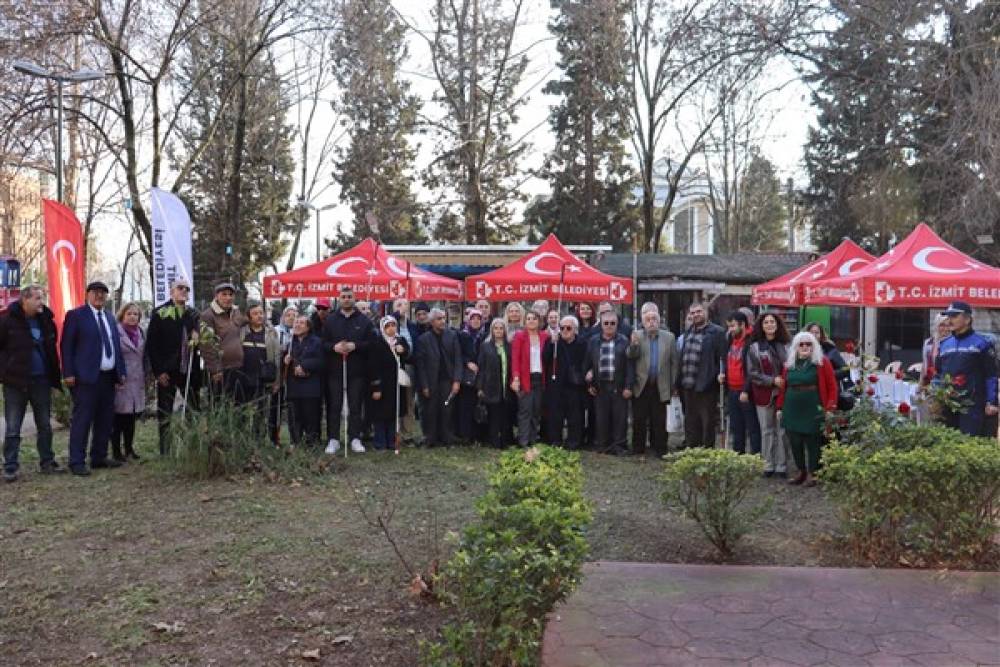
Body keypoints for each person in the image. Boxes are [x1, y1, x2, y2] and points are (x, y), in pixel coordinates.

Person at [61, 281, 127, 476]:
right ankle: (76, 461)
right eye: (96, 292)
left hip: (108, 377)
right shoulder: (76, 315)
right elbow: (67, 347)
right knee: (83, 420)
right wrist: (68, 373)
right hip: (85, 378)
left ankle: (99, 456)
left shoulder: (109, 317)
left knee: (105, 419)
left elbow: (115, 346)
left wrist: (120, 371)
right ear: (87, 294)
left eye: (103, 293)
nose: (99, 296)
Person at [0, 285, 64, 481]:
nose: (41, 302)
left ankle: (47, 461)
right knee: (13, 426)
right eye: (37, 298)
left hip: (41, 381)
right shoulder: (6, 321)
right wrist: (5, 372)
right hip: (16, 383)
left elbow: (52, 347)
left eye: (42, 297)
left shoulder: (46, 320)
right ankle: (10, 466)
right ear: (24, 300)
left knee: (44, 424)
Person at [146, 277, 201, 455]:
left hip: (189, 369)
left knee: (194, 408)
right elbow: (152, 345)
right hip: (167, 370)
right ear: (171, 291)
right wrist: (158, 371)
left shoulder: (193, 314)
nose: (184, 291)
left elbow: (201, 338)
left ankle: (193, 446)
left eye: (186, 289)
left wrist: (198, 337)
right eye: (180, 288)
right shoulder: (160, 312)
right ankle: (166, 449)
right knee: (165, 411)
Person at [776, 332, 838, 487]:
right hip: (791, 408)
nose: (804, 347)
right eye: (801, 344)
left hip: (813, 408)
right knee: (794, 441)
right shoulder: (789, 363)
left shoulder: (822, 362)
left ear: (814, 346)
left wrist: (830, 408)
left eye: (808, 344)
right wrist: (779, 407)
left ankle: (813, 472)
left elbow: (832, 387)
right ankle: (800, 471)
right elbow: (784, 387)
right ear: (795, 347)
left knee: (813, 442)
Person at [322, 287, 374, 454]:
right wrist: (334, 347)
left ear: (354, 298)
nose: (346, 299)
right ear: (339, 299)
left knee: (355, 405)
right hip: (335, 371)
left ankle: (355, 438)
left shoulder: (364, 321)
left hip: (357, 371)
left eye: (349, 296)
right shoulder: (330, 320)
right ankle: (334, 439)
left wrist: (355, 345)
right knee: (335, 405)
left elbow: (371, 343)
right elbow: (323, 343)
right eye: (343, 296)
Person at [934, 301, 998, 436]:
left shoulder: (982, 343)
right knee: (947, 442)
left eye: (954, 316)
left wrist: (992, 402)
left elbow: (991, 375)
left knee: (970, 442)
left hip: (973, 405)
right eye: (948, 316)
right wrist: (935, 397)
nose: (950, 320)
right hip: (948, 404)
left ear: (968, 319)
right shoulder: (944, 344)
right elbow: (938, 374)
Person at [745, 312, 791, 478]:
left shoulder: (787, 345)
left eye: (773, 322)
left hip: (784, 394)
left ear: (778, 325)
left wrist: (783, 381)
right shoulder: (754, 348)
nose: (770, 324)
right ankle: (767, 464)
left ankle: (781, 465)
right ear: (761, 326)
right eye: (766, 322)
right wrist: (772, 380)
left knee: (782, 430)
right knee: (766, 430)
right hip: (764, 393)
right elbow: (752, 373)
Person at [627, 308, 679, 456]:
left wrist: (674, 384)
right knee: (639, 419)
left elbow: (674, 363)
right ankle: (638, 449)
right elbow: (630, 357)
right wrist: (634, 345)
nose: (651, 322)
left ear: (659, 321)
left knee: (659, 419)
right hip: (641, 384)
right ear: (643, 322)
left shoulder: (669, 337)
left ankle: (660, 448)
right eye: (648, 320)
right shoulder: (637, 335)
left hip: (661, 384)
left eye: (654, 319)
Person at [676, 302, 726, 448]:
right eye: (692, 313)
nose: (696, 315)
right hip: (687, 385)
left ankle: (707, 452)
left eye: (699, 311)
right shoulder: (687, 332)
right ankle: (692, 450)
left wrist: (716, 377)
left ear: (706, 312)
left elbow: (722, 359)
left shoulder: (717, 332)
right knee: (691, 422)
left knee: (707, 423)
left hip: (706, 386)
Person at [583, 310, 634, 455]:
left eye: (613, 323)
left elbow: (630, 366)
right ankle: (603, 446)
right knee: (601, 418)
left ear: (617, 324)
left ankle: (619, 446)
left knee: (620, 419)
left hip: (618, 385)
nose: (609, 326)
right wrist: (589, 383)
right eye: (606, 323)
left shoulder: (624, 341)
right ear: (601, 325)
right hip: (600, 386)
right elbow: (587, 365)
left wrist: (628, 386)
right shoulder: (593, 341)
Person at [414, 308, 462, 447]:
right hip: (430, 381)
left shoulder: (452, 336)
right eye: (439, 319)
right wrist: (424, 385)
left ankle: (447, 438)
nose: (442, 321)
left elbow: (458, 359)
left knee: (447, 409)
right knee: (430, 410)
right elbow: (420, 365)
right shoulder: (423, 339)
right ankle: (430, 438)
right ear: (432, 322)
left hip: (448, 380)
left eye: (443, 318)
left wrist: (457, 380)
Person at [721, 311, 762, 455]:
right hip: (732, 390)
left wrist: (746, 389)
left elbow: (753, 369)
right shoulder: (729, 340)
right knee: (736, 427)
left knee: (752, 427)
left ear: (742, 324)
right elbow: (727, 361)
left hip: (747, 391)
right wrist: (723, 375)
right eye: (729, 326)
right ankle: (739, 457)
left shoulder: (752, 341)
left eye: (732, 326)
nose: (730, 329)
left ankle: (755, 457)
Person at [544, 315, 587, 449]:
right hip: (557, 384)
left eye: (568, 328)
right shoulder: (554, 342)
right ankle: (555, 440)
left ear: (575, 329)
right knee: (556, 415)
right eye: (562, 328)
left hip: (574, 385)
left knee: (575, 415)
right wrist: (552, 343)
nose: (565, 330)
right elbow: (545, 358)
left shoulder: (582, 343)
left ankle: (573, 441)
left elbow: (586, 362)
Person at [111, 302, 147, 462]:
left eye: (135, 314)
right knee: (118, 417)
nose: (132, 317)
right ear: (122, 315)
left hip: (137, 379)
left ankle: (129, 448)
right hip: (121, 380)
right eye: (129, 314)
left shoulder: (141, 332)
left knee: (131, 417)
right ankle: (116, 451)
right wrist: (115, 376)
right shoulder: (115, 332)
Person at [368, 316, 410, 451]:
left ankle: (392, 441)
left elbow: (408, 355)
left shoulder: (400, 340)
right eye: (388, 326)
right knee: (380, 414)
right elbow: (373, 365)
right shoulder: (377, 342)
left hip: (396, 384)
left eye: (393, 325)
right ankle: (380, 442)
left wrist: (403, 351)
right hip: (382, 384)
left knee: (393, 413)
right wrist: (376, 387)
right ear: (383, 328)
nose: (391, 328)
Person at [237, 302, 281, 434]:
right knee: (242, 410)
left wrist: (277, 381)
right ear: (249, 317)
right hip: (243, 378)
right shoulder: (241, 331)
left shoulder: (271, 333)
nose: (259, 316)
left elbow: (277, 358)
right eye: (255, 313)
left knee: (261, 412)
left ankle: (258, 439)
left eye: (261, 313)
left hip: (262, 379)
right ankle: (242, 438)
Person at [199, 282, 248, 399]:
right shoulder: (207, 315)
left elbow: (246, 320)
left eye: (231, 295)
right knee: (219, 406)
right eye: (224, 294)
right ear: (216, 296)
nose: (228, 298)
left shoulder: (236, 312)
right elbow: (206, 345)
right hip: (220, 371)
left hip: (238, 367)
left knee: (237, 403)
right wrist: (215, 370)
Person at [284, 316, 325, 447]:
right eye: (296, 322)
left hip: (310, 386)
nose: (297, 325)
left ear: (308, 327)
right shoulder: (290, 343)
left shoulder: (317, 342)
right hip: (293, 386)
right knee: (294, 415)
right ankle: (295, 441)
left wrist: (304, 366)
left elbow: (321, 361)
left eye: (301, 323)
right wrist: (285, 360)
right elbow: (283, 365)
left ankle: (312, 442)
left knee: (311, 416)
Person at [477, 318, 514, 448]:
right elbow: (481, 367)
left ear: (505, 330)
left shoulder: (509, 346)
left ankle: (505, 440)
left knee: (505, 415)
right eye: (496, 328)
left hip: (506, 385)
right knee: (493, 415)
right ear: (492, 330)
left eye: (501, 328)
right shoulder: (485, 346)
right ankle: (493, 440)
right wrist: (480, 387)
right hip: (491, 385)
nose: (498, 331)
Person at [511, 311, 547, 446]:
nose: (531, 321)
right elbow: (515, 359)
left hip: (540, 378)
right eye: (528, 319)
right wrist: (515, 378)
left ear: (539, 321)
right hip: (525, 378)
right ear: (525, 321)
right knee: (525, 410)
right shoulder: (520, 337)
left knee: (536, 410)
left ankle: (533, 439)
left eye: (534, 319)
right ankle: (523, 441)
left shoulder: (544, 336)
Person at [270, 306, 298, 445]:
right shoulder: (275, 331)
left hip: (292, 375)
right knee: (276, 408)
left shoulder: (297, 332)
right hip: (278, 373)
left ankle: (295, 438)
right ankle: (274, 438)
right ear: (283, 317)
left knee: (292, 408)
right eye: (288, 315)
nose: (291, 318)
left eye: (294, 315)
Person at [457, 307, 485, 442]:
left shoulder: (484, 336)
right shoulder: (463, 335)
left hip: (480, 374)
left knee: (478, 404)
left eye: (478, 319)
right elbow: (457, 353)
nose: (475, 321)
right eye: (473, 318)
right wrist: (467, 362)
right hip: (466, 375)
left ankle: (477, 434)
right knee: (465, 405)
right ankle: (465, 435)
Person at [804, 322, 849, 387]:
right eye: (811, 332)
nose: (814, 335)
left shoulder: (830, 350)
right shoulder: (800, 350)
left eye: (817, 333)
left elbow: (845, 369)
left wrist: (828, 375)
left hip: (828, 388)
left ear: (821, 335)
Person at [919, 314, 951, 387]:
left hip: (949, 385)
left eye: (948, 325)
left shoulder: (954, 343)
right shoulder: (928, 343)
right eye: (942, 325)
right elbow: (924, 366)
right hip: (931, 383)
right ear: (936, 326)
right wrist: (920, 386)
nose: (946, 328)